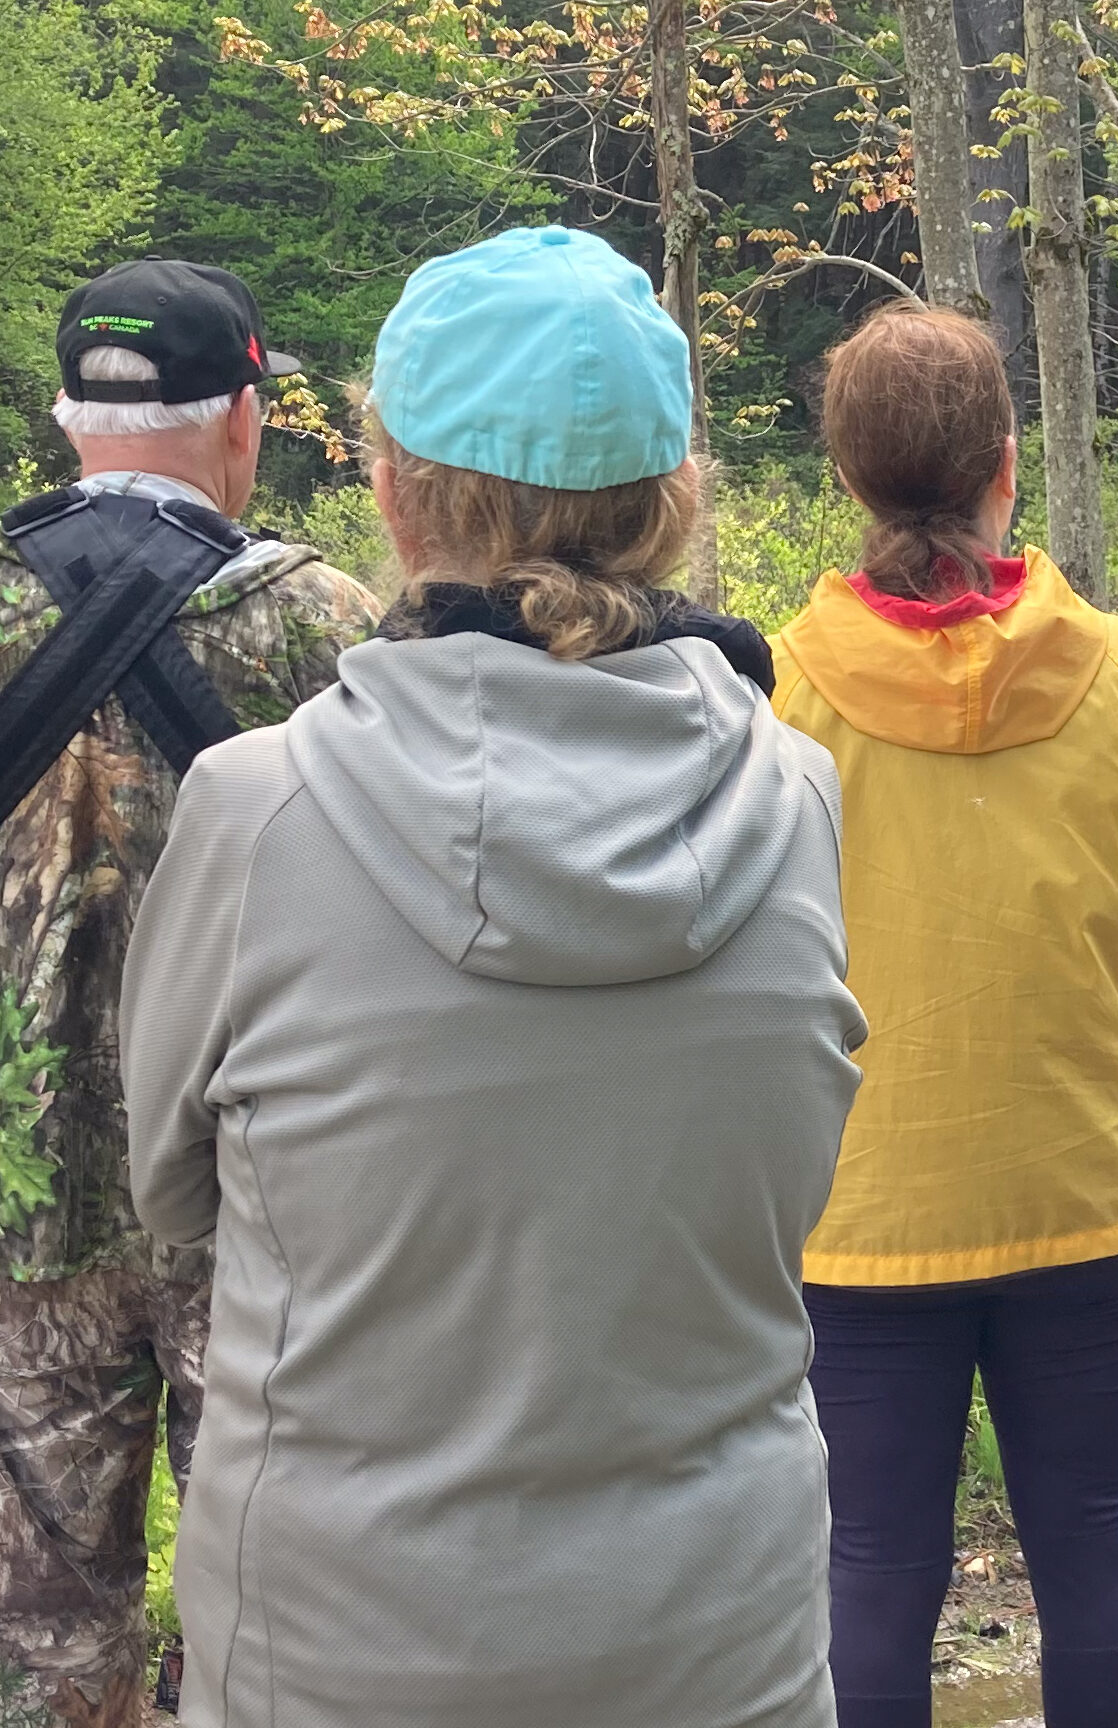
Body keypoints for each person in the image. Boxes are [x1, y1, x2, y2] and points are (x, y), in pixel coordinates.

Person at [118, 226, 864, 1728]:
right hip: (721, 1640)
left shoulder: (260, 811)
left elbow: (170, 1189)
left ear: (393, 494)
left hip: (342, 1649)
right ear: (674, 504)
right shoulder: (799, 799)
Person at [772, 303, 1118, 1728]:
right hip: (1093, 1181)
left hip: (859, 1207)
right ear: (1008, 466)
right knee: (1093, 1537)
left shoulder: (779, 691)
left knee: (873, 1560)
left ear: (847, 478)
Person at [0, 258, 380, 1728]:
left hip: (22, 1218)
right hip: (262, 1203)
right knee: (280, 1615)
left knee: (38, 1634)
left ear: (64, 418)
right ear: (246, 415)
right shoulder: (328, 628)